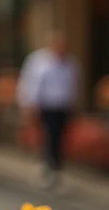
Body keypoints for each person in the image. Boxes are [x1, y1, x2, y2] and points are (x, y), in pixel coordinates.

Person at [17, 32, 79, 190]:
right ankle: (48, 168)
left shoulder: (71, 63)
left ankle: (56, 170)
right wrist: (29, 104)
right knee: (49, 137)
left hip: (62, 106)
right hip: (46, 106)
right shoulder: (39, 61)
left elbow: (73, 86)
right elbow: (30, 83)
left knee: (59, 138)